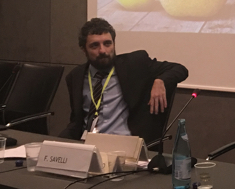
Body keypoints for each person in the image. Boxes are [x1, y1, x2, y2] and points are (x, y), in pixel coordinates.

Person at [59, 18, 188, 143]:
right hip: (88, 144)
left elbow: (180, 69)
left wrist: (160, 80)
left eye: (107, 44)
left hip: (125, 144)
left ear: (114, 44)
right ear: (84, 49)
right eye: (95, 46)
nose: (102, 50)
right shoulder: (75, 76)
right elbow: (76, 122)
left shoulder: (134, 64)